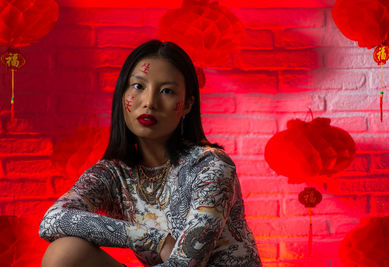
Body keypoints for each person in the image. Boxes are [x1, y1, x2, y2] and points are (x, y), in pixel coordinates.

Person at [39, 40, 261, 267]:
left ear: (186, 105)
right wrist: (153, 239)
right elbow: (52, 220)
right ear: (122, 94)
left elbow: (185, 265)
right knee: (65, 252)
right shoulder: (114, 173)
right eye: (138, 86)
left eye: (167, 91)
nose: (149, 102)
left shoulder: (210, 166)